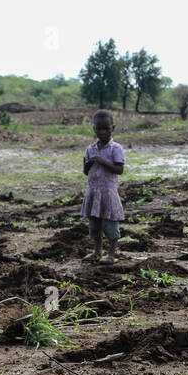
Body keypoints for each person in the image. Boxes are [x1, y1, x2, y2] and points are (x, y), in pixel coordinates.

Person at [80, 110, 125, 263]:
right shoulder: (90, 149)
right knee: (94, 226)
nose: (103, 132)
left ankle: (111, 254)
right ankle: (97, 252)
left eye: (106, 129)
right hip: (93, 192)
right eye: (99, 129)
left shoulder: (115, 149)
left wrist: (101, 161)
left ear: (113, 128)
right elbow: (86, 172)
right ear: (94, 129)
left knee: (110, 225)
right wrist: (87, 164)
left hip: (108, 192)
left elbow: (120, 169)